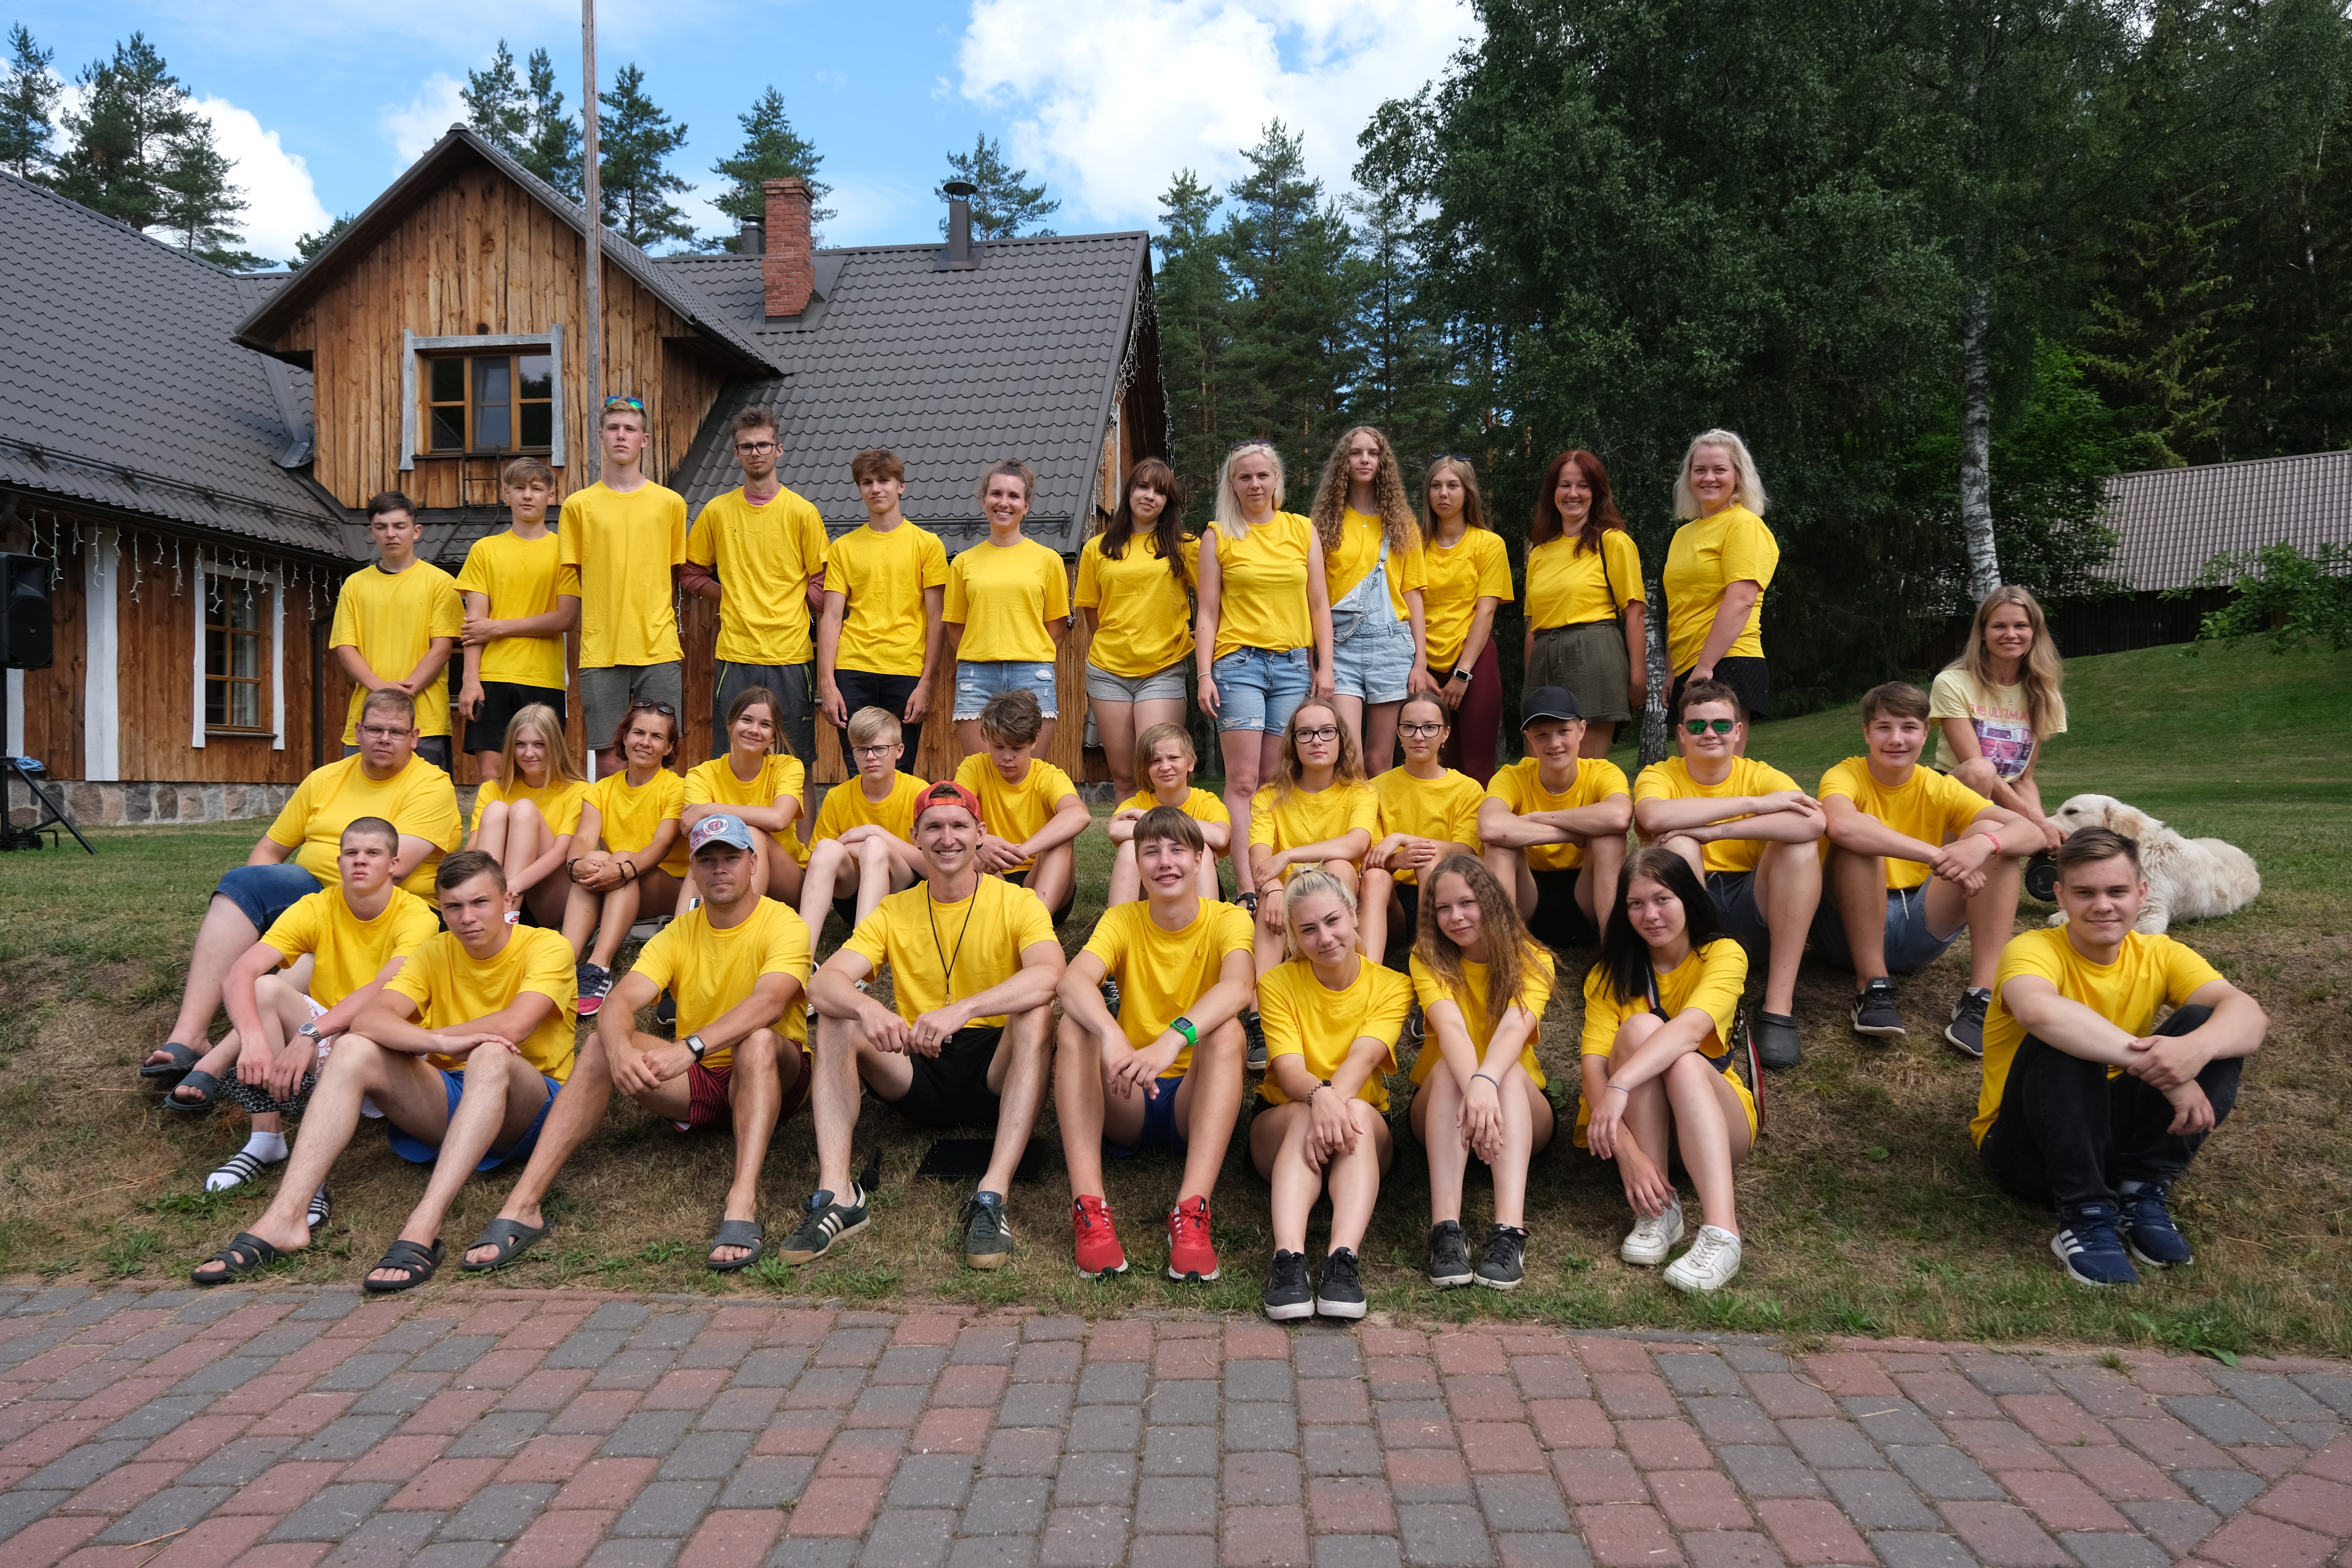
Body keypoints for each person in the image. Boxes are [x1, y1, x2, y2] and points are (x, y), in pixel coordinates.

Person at [190, 851, 577, 1292]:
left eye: (480, 902)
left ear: (506, 899)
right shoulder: (434, 952)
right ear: (442, 907)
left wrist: (437, 1038)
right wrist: (438, 1043)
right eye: (454, 906)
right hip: (451, 1095)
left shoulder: (547, 946)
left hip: (529, 1105)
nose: (467, 917)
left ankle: (423, 1225)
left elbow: (515, 1025)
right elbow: (371, 1020)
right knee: (353, 1047)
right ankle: (287, 1216)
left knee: (490, 1052)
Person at [465, 815, 814, 1275]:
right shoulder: (679, 932)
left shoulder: (784, 923)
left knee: (757, 1041)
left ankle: (742, 1201)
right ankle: (523, 1205)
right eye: (707, 860)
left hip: (775, 1076)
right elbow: (621, 1000)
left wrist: (689, 1047)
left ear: (753, 863)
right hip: (702, 1078)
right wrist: (618, 1052)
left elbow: (769, 1003)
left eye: (731, 857)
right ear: (693, 870)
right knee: (600, 1045)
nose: (719, 869)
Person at [784, 782, 1064, 1271]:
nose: (947, 838)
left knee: (1038, 1012)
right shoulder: (894, 910)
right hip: (919, 1063)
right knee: (836, 1016)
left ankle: (992, 1195)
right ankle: (838, 1194)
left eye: (959, 826)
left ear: (980, 833)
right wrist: (869, 1009)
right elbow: (824, 983)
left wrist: (965, 1008)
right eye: (934, 827)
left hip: (996, 1069)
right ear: (914, 836)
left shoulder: (1019, 902)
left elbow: (1051, 974)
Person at [1974, 828, 2268, 1287]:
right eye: (2085, 893)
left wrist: (2196, 1050)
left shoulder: (2160, 952)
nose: (2103, 905)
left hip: (2112, 1137)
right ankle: (2085, 1214)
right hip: (2029, 1148)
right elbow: (2038, 1011)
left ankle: (2141, 1191)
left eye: (2117, 891)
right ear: (2060, 895)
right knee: (2062, 1037)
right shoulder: (2033, 948)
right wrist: (2170, 1076)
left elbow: (2250, 1016)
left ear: (2141, 893)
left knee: (2208, 1021)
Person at [140, 690, 461, 1089]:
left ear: (414, 738)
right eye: (375, 729)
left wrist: (312, 920)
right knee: (243, 884)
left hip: (386, 913)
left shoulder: (431, 785)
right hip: (314, 901)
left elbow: (386, 872)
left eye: (396, 732)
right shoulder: (324, 779)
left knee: (305, 960)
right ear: (358, 731)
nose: (384, 739)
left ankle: (220, 1061)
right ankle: (189, 1036)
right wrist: (259, 906)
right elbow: (269, 850)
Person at [163, 819, 439, 1223]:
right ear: (339, 861)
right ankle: (266, 1138)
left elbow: (385, 988)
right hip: (332, 1033)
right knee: (264, 989)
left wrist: (311, 1033)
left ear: (394, 864)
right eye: (351, 853)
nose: (360, 861)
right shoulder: (316, 906)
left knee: (349, 1041)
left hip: (394, 1049)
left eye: (373, 853)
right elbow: (240, 973)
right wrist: (253, 1041)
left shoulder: (417, 914)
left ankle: (310, 1182)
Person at [1054, 807, 1253, 1280]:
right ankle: (1090, 1209)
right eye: (1151, 852)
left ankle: (1192, 1211)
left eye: (1177, 850)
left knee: (1228, 1031)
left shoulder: (1228, 919)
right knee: (1076, 1026)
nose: (1165, 861)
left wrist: (1173, 1038)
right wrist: (1112, 1034)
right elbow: (1072, 981)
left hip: (1193, 1098)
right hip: (1127, 1091)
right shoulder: (1122, 919)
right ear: (1137, 863)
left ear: (1201, 859)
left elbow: (1239, 987)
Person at [1815, 681, 2034, 1055]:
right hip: (1845, 935)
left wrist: (1982, 845)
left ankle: (1981, 996)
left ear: (1925, 734)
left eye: (1909, 728)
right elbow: (1842, 826)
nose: (1896, 739)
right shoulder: (1845, 774)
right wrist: (1937, 855)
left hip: (1918, 926)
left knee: (1993, 835)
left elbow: (2028, 831)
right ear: (1866, 733)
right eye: (1884, 727)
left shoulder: (1937, 785)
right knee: (1862, 833)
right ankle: (1872, 986)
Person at [1579, 847, 1759, 1295]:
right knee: (1639, 1028)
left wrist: (1621, 1083)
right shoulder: (1607, 975)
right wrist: (1628, 1154)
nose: (1651, 914)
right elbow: (1593, 1069)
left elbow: (1691, 1030)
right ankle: (1658, 1209)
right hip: (1645, 1131)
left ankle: (1723, 1233)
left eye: (1663, 899)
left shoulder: (1723, 954)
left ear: (1688, 898)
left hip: (1719, 1123)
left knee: (1681, 1061)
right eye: (1636, 903)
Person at [1633, 680, 1823, 1069]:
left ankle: (1778, 1007)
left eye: (1721, 725)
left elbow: (1814, 822)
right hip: (1687, 908)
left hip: (1752, 905)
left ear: (1738, 731)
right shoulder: (1660, 774)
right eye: (1697, 725)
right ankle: (1692, 992)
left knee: (1800, 847)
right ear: (1681, 734)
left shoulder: (1759, 774)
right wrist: (1756, 805)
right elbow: (1652, 816)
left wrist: (1716, 831)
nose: (1710, 734)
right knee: (1680, 844)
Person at [1251, 869, 1413, 1321]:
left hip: (1360, 1126)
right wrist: (1318, 1099)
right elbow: (1289, 1072)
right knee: (1307, 1111)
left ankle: (1343, 1260)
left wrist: (1327, 1101)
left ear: (1354, 914)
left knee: (1355, 1109)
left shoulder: (1393, 985)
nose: (1324, 937)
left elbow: (1363, 1060)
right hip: (1284, 1120)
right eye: (1308, 929)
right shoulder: (1276, 983)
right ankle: (1288, 1260)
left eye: (1333, 920)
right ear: (1295, 937)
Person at [1408, 856, 1556, 1291]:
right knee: (1448, 1070)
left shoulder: (1534, 959)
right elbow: (1450, 1025)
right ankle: (1446, 1231)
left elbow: (1514, 1028)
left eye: (1467, 903)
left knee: (1506, 1073)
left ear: (1491, 901)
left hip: (1518, 1108)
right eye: (1443, 908)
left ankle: (1509, 1231)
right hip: (1443, 1109)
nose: (1455, 916)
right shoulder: (1426, 957)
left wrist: (1486, 1083)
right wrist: (1476, 1087)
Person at [684, 407, 829, 828]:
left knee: (797, 763)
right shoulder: (717, 511)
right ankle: (724, 849)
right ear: (736, 453)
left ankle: (803, 859)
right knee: (728, 761)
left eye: (763, 444)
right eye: (746, 446)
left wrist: (796, 600)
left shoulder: (802, 512)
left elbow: (824, 582)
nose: (755, 452)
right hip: (737, 655)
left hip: (792, 656)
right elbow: (691, 573)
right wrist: (729, 595)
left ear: (779, 449)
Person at [1195, 441, 1335, 833]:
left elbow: (1319, 604)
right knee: (1243, 782)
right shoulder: (1218, 536)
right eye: (1245, 477)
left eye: (1262, 475)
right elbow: (1207, 612)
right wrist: (1204, 675)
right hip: (1238, 666)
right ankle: (1247, 874)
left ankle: (1271, 866)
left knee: (1276, 778)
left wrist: (1326, 666)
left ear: (1276, 480)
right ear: (1233, 484)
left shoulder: (1302, 530)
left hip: (1293, 667)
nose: (1255, 484)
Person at [561, 396, 688, 777]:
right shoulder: (577, 506)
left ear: (644, 440)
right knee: (609, 757)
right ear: (600, 436)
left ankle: (660, 821)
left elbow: (673, 573)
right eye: (614, 428)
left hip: (658, 645)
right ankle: (613, 821)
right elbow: (578, 574)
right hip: (601, 648)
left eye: (630, 429)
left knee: (662, 753)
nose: (621, 436)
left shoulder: (671, 504)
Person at [817, 449, 948, 773]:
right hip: (852, 668)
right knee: (859, 768)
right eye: (867, 482)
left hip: (906, 670)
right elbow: (831, 618)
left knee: (900, 770)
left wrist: (926, 683)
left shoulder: (928, 545)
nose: (876, 489)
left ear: (900, 486)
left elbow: (937, 620)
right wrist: (828, 685)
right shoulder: (843, 548)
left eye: (884, 481)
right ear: (860, 489)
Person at [1078, 459, 1199, 804]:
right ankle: (1130, 840)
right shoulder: (1097, 548)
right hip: (1108, 673)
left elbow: (1213, 602)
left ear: (1169, 501)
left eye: (1160, 491)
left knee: (1157, 771)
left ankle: (1169, 838)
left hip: (1163, 669)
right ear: (1129, 491)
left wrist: (1198, 639)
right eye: (1143, 487)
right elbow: (1091, 610)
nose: (1150, 496)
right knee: (1125, 776)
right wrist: (1117, 644)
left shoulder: (1186, 545)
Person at [1477, 687, 1631, 958]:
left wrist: (1539, 819)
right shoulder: (1512, 776)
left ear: (1581, 730)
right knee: (1499, 846)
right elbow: (1490, 826)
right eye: (1542, 735)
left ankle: (1615, 956)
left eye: (1563, 731)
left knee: (1608, 838)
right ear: (1529, 738)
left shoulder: (1602, 772)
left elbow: (1619, 817)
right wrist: (1572, 834)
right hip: (1527, 897)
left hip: (1588, 892)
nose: (1554, 743)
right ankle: (1503, 957)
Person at [1310, 426, 1430, 773]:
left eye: (1373, 453)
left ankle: (1380, 814)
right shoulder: (1322, 524)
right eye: (1356, 453)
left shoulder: (1402, 523)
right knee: (1350, 758)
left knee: (1381, 761)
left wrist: (1420, 662)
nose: (1365, 460)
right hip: (1340, 649)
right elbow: (1314, 600)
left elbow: (1412, 594)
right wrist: (1313, 661)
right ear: (1343, 462)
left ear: (1383, 462)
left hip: (1392, 647)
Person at [455, 458, 580, 782]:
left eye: (536, 489)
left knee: (540, 776)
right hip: (491, 678)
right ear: (506, 494)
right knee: (492, 774)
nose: (527, 495)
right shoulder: (485, 550)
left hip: (544, 679)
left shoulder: (565, 552)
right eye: (519, 488)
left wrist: (498, 627)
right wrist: (470, 681)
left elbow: (566, 618)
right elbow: (474, 625)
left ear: (551, 496)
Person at [564, 701, 688, 1015]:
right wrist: (577, 865)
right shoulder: (601, 790)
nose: (645, 742)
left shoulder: (677, 788)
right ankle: (562, 964)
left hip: (667, 887)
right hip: (618, 882)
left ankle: (598, 968)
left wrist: (624, 869)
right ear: (625, 737)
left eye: (657, 737)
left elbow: (663, 844)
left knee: (618, 857)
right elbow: (583, 839)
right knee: (593, 857)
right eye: (639, 733)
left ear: (669, 747)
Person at [1524, 450, 1645, 758]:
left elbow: (1634, 613)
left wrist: (1637, 678)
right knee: (1539, 768)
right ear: (1553, 492)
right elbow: (1533, 625)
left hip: (1594, 657)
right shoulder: (1540, 554)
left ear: (1597, 493)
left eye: (1583, 486)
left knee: (1585, 768)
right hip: (1543, 663)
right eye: (1565, 485)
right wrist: (1530, 681)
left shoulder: (1613, 542)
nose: (1573, 494)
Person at [945, 460, 1070, 758]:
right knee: (980, 773)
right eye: (996, 494)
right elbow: (955, 627)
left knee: (1029, 775)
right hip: (976, 676)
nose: (1004, 503)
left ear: (1026, 505)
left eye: (1014, 496)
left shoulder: (1049, 560)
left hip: (1032, 675)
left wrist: (1026, 650)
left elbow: (1056, 628)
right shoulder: (963, 563)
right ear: (984, 500)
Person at [331, 492, 463, 772]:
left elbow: (442, 649)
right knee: (362, 798)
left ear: (416, 531)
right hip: (368, 721)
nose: (391, 534)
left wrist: (403, 692)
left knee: (426, 798)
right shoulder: (355, 585)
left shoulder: (441, 583)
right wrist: (380, 687)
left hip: (424, 722)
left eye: (399, 526)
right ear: (371, 532)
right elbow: (345, 647)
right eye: (382, 527)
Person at [1661, 430, 1778, 740]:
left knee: (1718, 767)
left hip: (1728, 660)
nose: (1709, 478)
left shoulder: (1744, 525)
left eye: (1720, 470)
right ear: (1689, 477)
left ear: (1738, 476)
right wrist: (1673, 671)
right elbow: (1678, 607)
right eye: (1700, 470)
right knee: (1692, 767)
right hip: (1689, 665)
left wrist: (1705, 667)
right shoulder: (1682, 535)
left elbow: (1741, 600)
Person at [1247, 699, 1377, 977]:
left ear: (1341, 740)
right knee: (1272, 894)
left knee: (1339, 866)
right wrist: (1274, 890)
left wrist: (1288, 856)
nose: (1317, 741)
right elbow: (1260, 858)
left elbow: (1356, 843)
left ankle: (1346, 974)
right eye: (1305, 733)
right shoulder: (1269, 796)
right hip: (1288, 901)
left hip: (1340, 899)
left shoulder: (1361, 792)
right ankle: (1259, 999)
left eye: (1327, 732)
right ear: (1293, 744)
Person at [1934, 585, 2069, 851]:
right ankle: (1940, 858)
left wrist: (2043, 827)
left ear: (2034, 632)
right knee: (1981, 771)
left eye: (2021, 626)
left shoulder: (2044, 693)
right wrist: (2033, 822)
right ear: (1983, 633)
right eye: (1999, 626)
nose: (2011, 634)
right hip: (1955, 792)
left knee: (2043, 839)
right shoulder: (1952, 682)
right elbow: (1975, 768)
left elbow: (2023, 778)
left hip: (2005, 799)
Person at [1363, 693, 1485, 966]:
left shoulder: (1468, 789)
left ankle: (1434, 962)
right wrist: (1399, 860)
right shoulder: (1375, 789)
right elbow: (1372, 861)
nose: (1419, 736)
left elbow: (1466, 852)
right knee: (1376, 876)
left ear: (1446, 734)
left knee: (1428, 856)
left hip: (1447, 897)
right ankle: (1368, 972)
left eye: (1430, 727)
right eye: (1409, 727)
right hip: (1391, 903)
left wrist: (1403, 839)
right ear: (1399, 733)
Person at [953, 689, 1089, 924]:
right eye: (998, 747)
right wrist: (980, 842)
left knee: (1062, 839)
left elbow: (1080, 815)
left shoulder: (1048, 776)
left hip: (1043, 880)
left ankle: (1035, 926)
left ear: (1035, 741)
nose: (1007, 757)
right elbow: (953, 813)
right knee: (960, 838)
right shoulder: (974, 768)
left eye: (1017, 748)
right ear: (988, 738)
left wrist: (1021, 852)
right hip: (991, 872)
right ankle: (1008, 921)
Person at [1417, 456, 1513, 781]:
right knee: (1436, 763)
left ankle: (1483, 818)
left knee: (1476, 765)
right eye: (1436, 486)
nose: (1443, 493)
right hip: (1424, 666)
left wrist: (1462, 674)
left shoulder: (1489, 544)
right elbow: (1404, 611)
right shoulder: (1414, 546)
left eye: (1453, 486)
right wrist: (1418, 667)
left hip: (1474, 660)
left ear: (1468, 492)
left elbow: (1486, 611)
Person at [798, 706, 928, 942]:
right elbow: (815, 868)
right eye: (861, 750)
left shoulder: (920, 793)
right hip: (853, 897)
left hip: (906, 896)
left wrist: (877, 834)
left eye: (880, 749)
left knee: (875, 846)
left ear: (899, 751)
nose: (870, 757)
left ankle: (863, 949)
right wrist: (853, 850)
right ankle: (801, 953)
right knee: (826, 848)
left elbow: (934, 868)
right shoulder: (837, 796)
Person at [465, 704, 588, 933]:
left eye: (539, 745)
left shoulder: (578, 790)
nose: (529, 753)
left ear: (554, 746)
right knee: (496, 810)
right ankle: (487, 908)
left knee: (524, 810)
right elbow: (474, 847)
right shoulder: (493, 789)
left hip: (550, 895)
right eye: (520, 744)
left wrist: (511, 887)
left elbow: (562, 852)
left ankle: (505, 922)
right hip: (498, 891)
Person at [681, 686, 806, 908]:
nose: (754, 730)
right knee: (705, 855)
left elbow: (779, 819)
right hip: (724, 871)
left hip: (786, 880)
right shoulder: (701, 775)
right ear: (731, 724)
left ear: (774, 736)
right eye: (747, 720)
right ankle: (683, 929)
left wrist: (710, 809)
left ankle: (741, 923)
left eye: (765, 725)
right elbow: (698, 834)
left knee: (753, 836)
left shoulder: (788, 766)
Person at [1105, 722, 1230, 905]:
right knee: (1129, 849)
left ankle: (1207, 923)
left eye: (1173, 758)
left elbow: (1220, 838)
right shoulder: (1139, 802)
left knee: (1202, 849)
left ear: (1191, 763)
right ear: (1147, 769)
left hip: (1193, 894)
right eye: (1156, 761)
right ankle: (1119, 921)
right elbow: (1115, 830)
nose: (1165, 767)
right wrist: (1189, 836)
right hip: (1150, 895)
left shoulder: (1207, 802)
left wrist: (1149, 819)